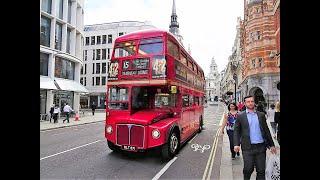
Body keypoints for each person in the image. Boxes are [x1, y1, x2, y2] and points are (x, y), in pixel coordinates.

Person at [233, 95, 277, 180]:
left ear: (254, 102)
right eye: (248, 102)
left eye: (252, 101)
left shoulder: (261, 115)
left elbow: (266, 131)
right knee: (248, 169)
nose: (250, 103)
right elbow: (236, 131)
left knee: (261, 171)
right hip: (247, 147)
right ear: (245, 103)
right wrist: (236, 144)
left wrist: (272, 145)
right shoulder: (240, 116)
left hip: (261, 147)